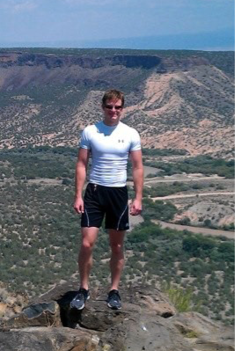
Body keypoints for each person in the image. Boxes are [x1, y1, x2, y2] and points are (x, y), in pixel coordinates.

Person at [71, 89, 143, 310]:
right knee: (86, 243)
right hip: (94, 191)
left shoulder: (131, 134)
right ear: (103, 107)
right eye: (110, 106)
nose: (113, 111)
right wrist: (78, 195)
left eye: (118, 107)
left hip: (118, 193)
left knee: (117, 245)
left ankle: (114, 290)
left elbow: (138, 167)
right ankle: (83, 289)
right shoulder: (91, 132)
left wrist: (138, 197)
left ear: (123, 108)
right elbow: (82, 164)